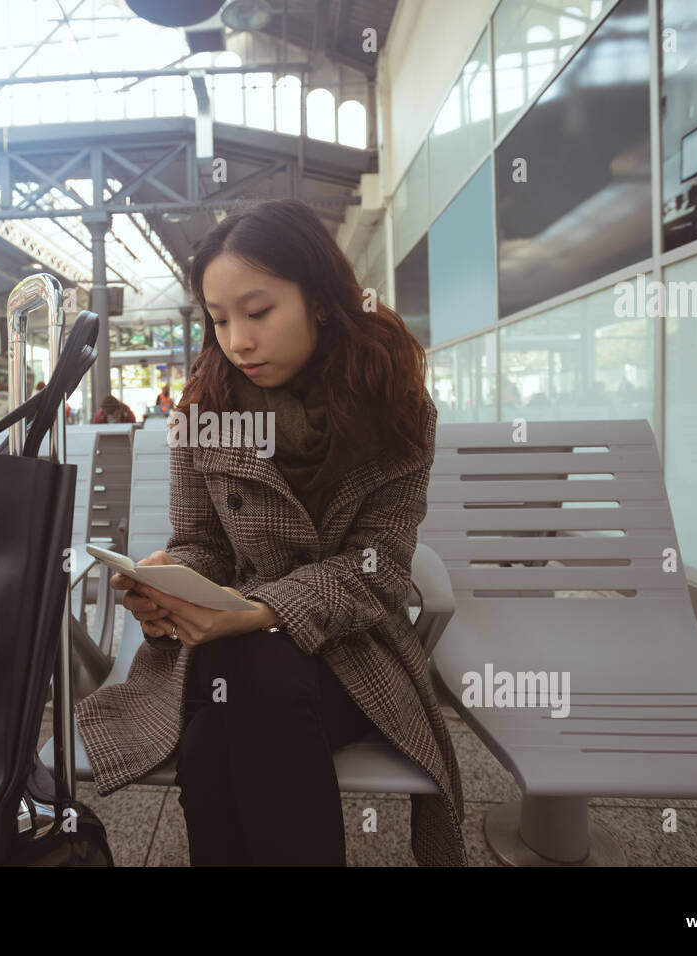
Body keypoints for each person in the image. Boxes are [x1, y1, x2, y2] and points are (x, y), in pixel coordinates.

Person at [72, 198, 467, 867]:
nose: (238, 341)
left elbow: (380, 568)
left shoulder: (394, 406)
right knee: (250, 678)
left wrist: (263, 612)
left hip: (349, 650)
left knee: (220, 727)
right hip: (229, 647)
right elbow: (203, 542)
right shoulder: (205, 407)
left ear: (320, 299)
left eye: (258, 313)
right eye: (219, 319)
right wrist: (169, 576)